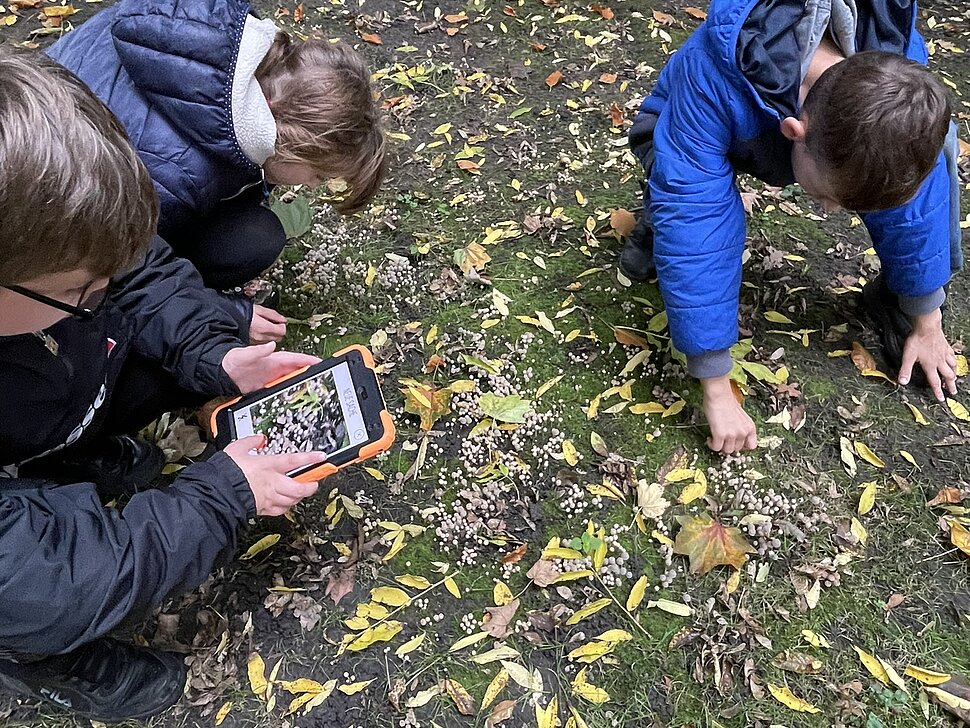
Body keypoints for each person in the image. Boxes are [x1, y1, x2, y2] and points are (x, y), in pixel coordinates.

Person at [0, 49, 329, 721]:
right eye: (81, 289)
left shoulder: (48, 227)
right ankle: (34, 660)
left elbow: (140, 275)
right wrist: (221, 494)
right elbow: (40, 576)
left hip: (34, 400)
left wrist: (218, 355)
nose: (102, 289)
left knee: (129, 356)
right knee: (36, 607)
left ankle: (62, 463)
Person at [621, 0, 963, 455]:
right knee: (676, 184)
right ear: (793, 133)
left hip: (796, 125)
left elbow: (919, 204)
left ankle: (896, 296)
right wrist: (716, 384)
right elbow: (695, 212)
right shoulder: (711, 78)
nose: (829, 211)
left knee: (936, 152)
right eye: (827, 198)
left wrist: (927, 319)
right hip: (699, 119)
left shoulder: (895, 71)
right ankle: (655, 221)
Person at [46, 0, 388, 344]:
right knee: (250, 243)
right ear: (291, 138)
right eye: (319, 174)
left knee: (253, 232)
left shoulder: (226, 46)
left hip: (53, 137)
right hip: (54, 243)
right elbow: (117, 267)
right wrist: (222, 314)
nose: (313, 185)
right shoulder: (178, 171)